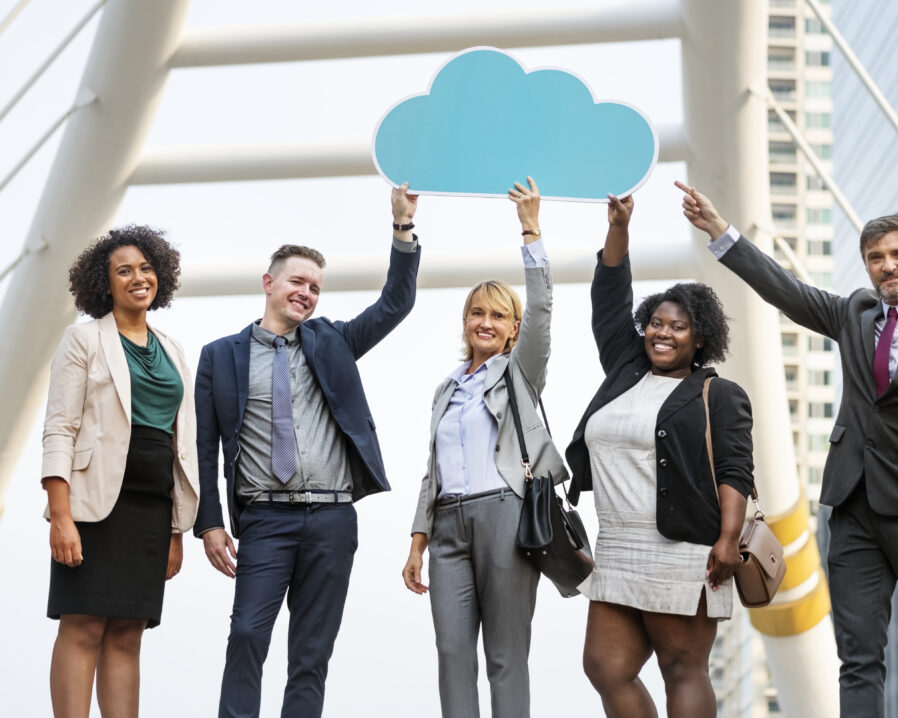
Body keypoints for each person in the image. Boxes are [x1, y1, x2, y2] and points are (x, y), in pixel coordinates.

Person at [679, 181, 898, 717]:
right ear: (867, 267)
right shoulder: (855, 315)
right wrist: (719, 231)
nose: (888, 266)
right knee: (856, 658)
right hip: (853, 511)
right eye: (876, 258)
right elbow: (785, 290)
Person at [193, 184, 421, 718]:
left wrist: (402, 228)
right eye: (298, 281)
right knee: (247, 633)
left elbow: (396, 303)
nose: (307, 293)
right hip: (264, 519)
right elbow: (204, 447)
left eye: (315, 287)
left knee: (311, 653)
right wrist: (209, 522)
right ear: (269, 283)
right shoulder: (220, 356)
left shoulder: (332, 341)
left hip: (331, 517)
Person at [562, 194, 754, 718]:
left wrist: (729, 539)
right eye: (656, 323)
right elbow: (609, 296)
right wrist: (619, 227)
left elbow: (736, 471)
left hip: (685, 548)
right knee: (605, 667)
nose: (662, 333)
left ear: (699, 340)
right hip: (620, 545)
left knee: (681, 669)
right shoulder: (626, 369)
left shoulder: (719, 394)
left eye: (677, 327)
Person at [401, 177, 568, 718]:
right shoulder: (446, 388)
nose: (486, 323)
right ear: (466, 322)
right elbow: (434, 470)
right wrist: (417, 541)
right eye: (478, 313)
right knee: (451, 653)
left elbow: (542, 308)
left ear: (513, 329)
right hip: (447, 527)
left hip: (504, 516)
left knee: (504, 654)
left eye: (498, 315)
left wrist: (531, 229)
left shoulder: (519, 374)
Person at [42, 225, 199, 718]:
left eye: (146, 268)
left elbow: (180, 444)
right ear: (104, 284)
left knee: (129, 629)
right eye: (123, 270)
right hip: (94, 503)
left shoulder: (173, 349)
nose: (138, 277)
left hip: (152, 507)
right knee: (84, 623)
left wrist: (177, 529)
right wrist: (61, 514)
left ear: (160, 276)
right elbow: (59, 430)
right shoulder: (83, 339)